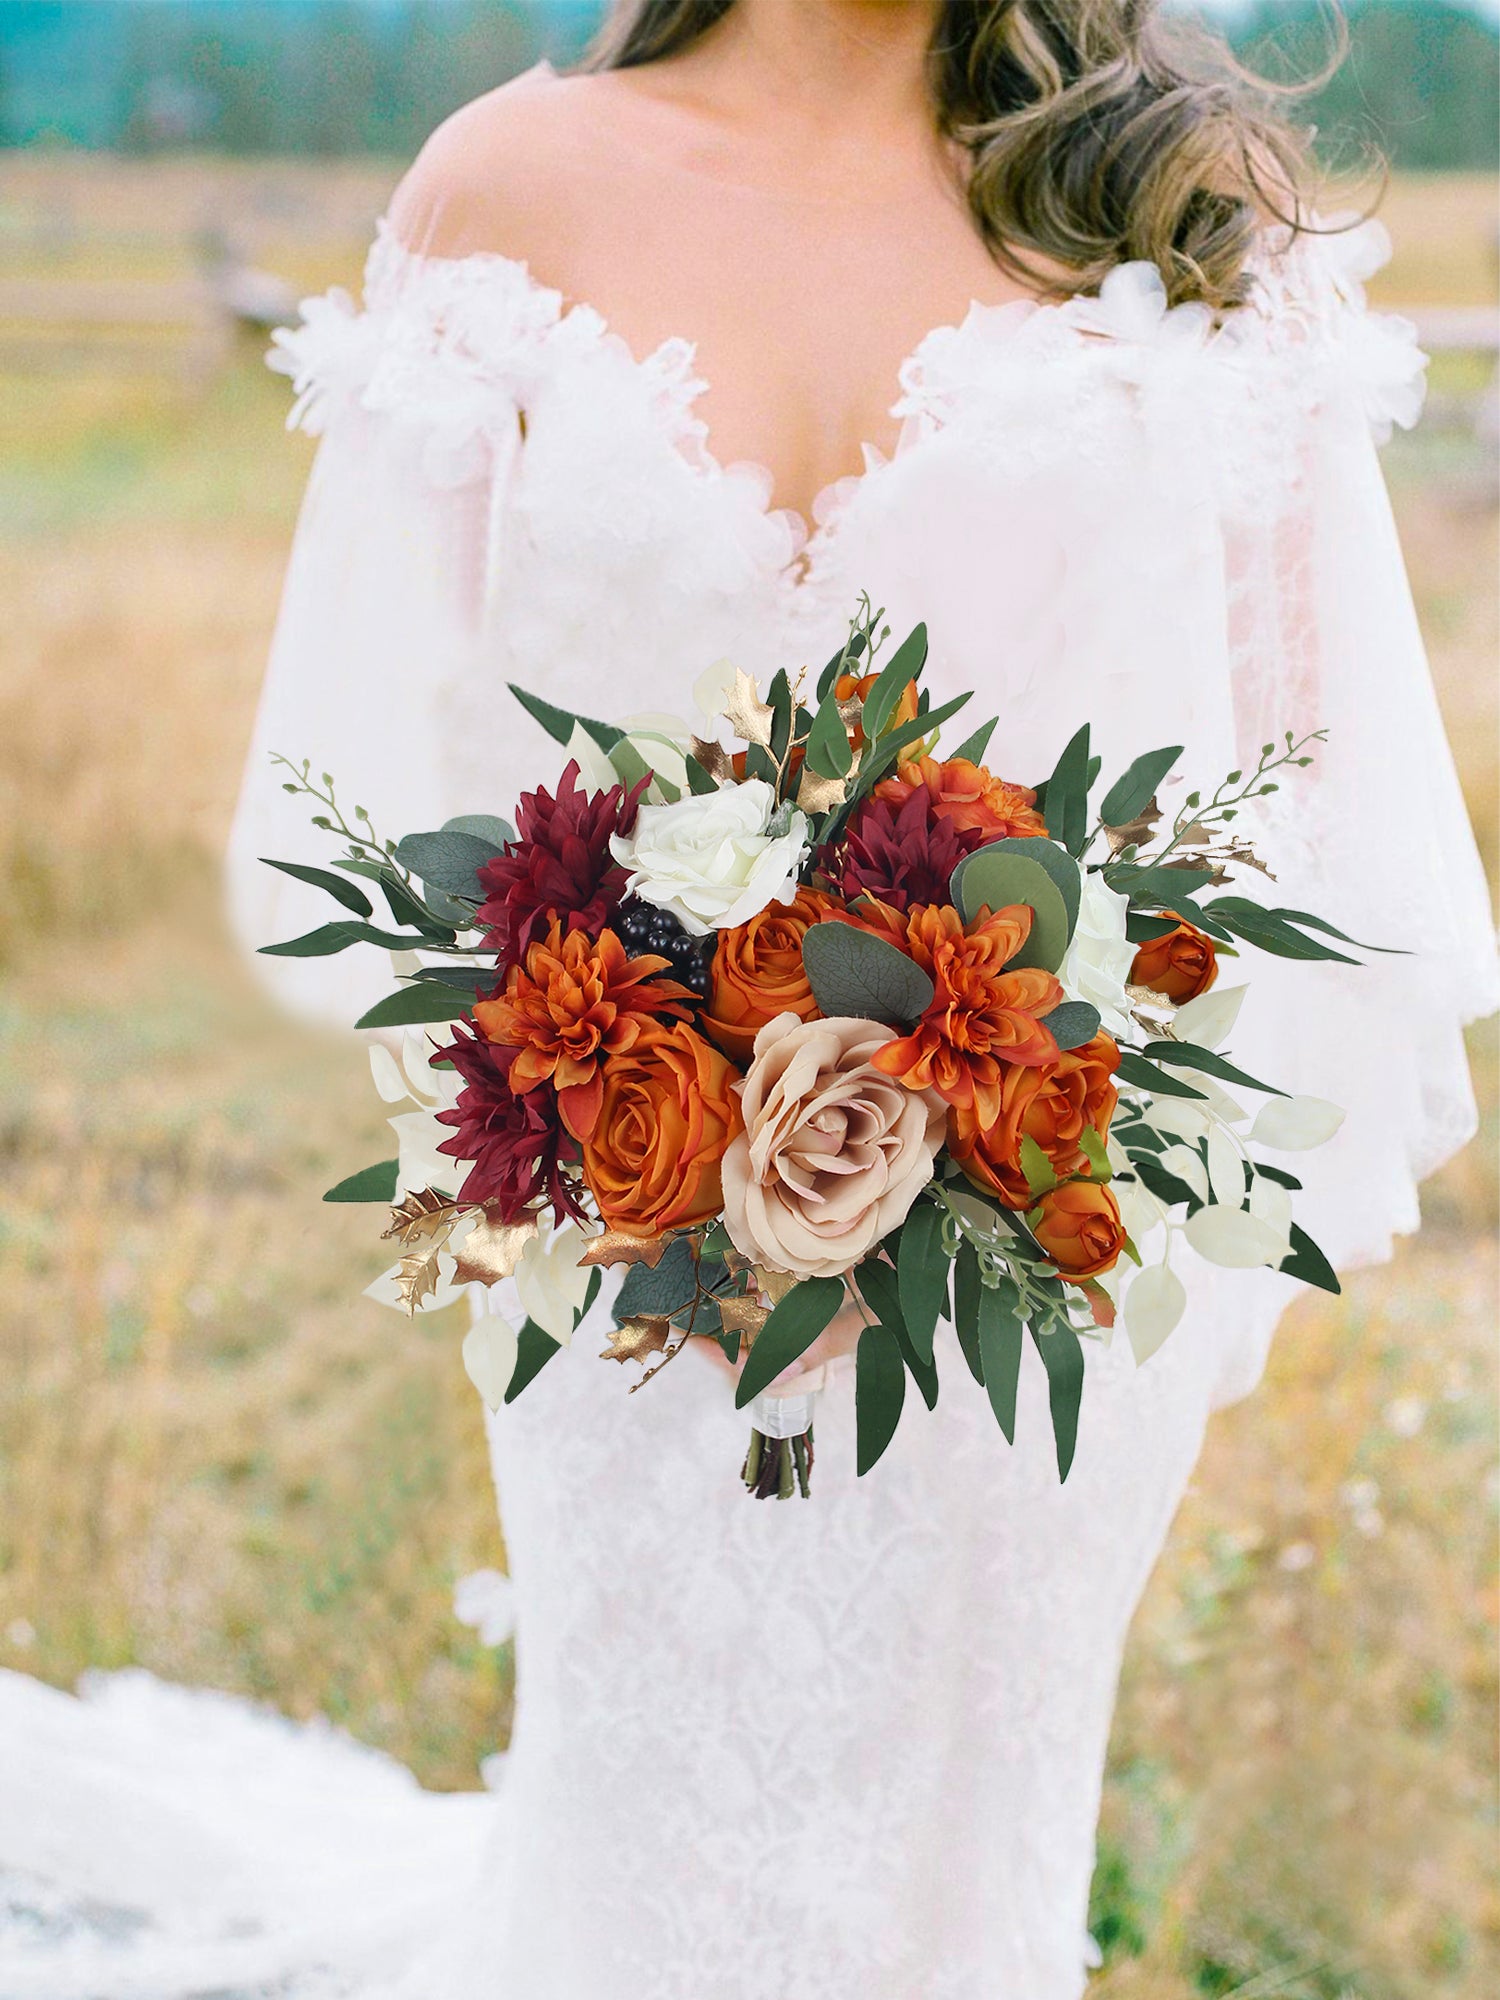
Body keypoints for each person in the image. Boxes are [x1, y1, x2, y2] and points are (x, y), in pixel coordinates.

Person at [2, 5, 1494, 1997]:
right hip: (622, 1279)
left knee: (952, 1890)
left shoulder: (1179, 215)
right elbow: (365, 819)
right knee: (641, 1869)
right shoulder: (503, 195)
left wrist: (1047, 1141)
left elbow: (1302, 814)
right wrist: (608, 1106)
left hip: (1016, 1320)